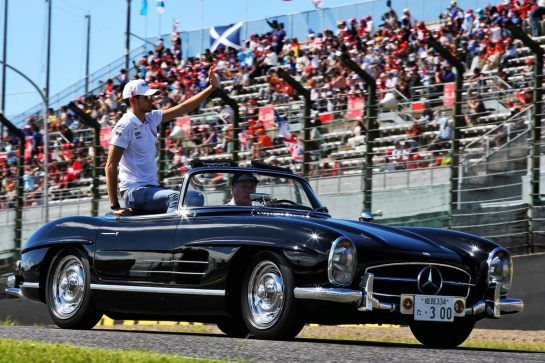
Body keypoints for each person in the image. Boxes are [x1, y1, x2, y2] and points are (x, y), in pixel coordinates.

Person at [106, 65, 219, 216]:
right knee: (176, 198)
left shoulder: (150, 118)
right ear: (133, 100)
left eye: (151, 96)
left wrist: (211, 88)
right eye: (147, 97)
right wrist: (115, 206)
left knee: (195, 197)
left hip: (151, 189)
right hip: (134, 192)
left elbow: (183, 107)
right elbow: (110, 166)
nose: (151, 100)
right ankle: (168, 236)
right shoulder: (125, 125)